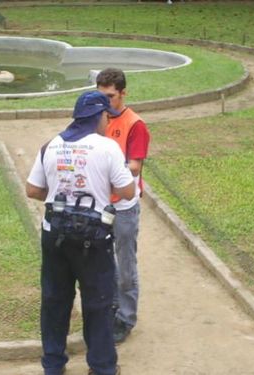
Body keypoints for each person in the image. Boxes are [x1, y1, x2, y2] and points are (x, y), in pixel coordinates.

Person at [26, 91, 135, 375]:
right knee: (98, 303)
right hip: (94, 239)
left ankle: (53, 365)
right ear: (98, 117)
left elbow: (33, 190)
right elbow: (127, 190)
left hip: (55, 236)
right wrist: (95, 191)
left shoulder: (50, 145)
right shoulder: (107, 147)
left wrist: (64, 194)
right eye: (104, 118)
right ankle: (101, 367)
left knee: (54, 301)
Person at [96, 68, 151, 344]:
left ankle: (127, 318)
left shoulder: (135, 124)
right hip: (102, 202)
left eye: (111, 97)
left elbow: (134, 166)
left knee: (126, 264)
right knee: (105, 260)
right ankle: (114, 308)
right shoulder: (99, 118)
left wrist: (105, 167)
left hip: (125, 206)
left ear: (123, 93)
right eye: (101, 96)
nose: (106, 102)